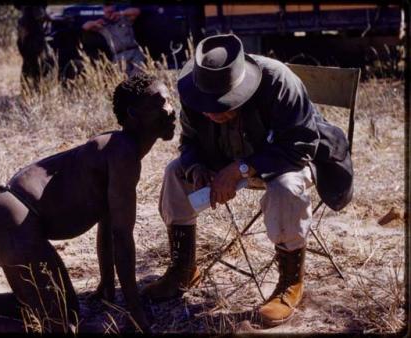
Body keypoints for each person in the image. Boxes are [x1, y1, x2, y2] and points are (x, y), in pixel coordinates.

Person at [0, 73, 176, 333]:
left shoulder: (121, 151)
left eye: (169, 100)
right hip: (12, 219)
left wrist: (108, 286)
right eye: (160, 103)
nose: (171, 109)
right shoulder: (123, 152)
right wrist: (135, 312)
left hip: (9, 215)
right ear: (133, 114)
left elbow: (108, 222)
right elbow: (122, 236)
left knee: (67, 309)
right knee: (57, 328)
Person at [141, 34, 353, 327]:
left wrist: (242, 168)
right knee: (174, 172)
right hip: (229, 158)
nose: (212, 112)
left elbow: (301, 146)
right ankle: (183, 269)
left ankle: (290, 285)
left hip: (289, 158)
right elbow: (189, 141)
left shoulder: (279, 83)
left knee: (285, 187)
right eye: (207, 105)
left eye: (223, 104)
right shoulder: (194, 87)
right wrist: (197, 167)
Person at [81, 4, 144, 76]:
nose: (110, 14)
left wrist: (120, 13)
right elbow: (85, 27)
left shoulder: (124, 19)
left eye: (111, 11)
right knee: (123, 81)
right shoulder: (103, 26)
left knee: (138, 76)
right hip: (118, 56)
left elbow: (137, 11)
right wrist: (95, 23)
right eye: (107, 12)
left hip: (133, 52)